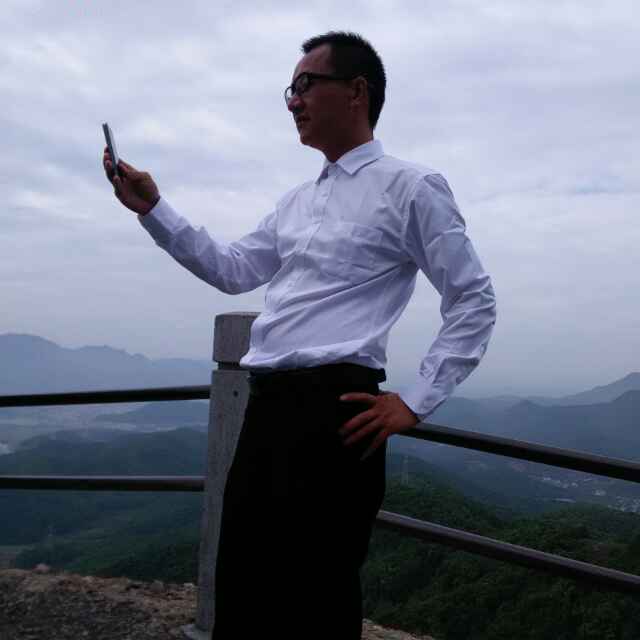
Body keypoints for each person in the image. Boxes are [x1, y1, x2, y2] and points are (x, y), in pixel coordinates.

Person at [103, 30, 496, 640]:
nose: (293, 101)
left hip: (338, 412)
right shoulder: (296, 202)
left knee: (317, 595)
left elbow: (472, 298)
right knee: (243, 584)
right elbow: (232, 270)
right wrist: (154, 210)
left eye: (306, 85)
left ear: (357, 92)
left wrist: (416, 401)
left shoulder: (411, 187)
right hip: (266, 408)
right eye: (290, 89)